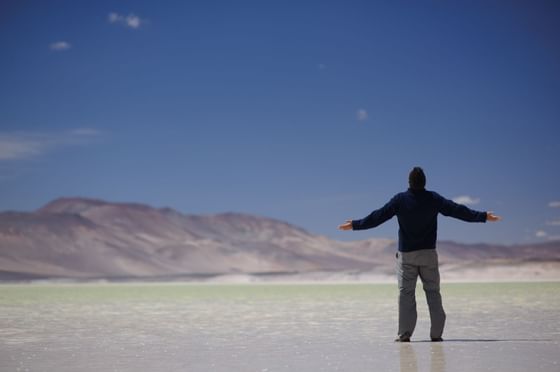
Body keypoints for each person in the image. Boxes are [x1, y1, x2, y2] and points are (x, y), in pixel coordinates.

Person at [338, 167, 501, 342]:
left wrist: (356, 224)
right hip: (428, 255)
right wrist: (483, 216)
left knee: (406, 294)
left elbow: (378, 216)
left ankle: (405, 334)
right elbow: (457, 210)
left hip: (407, 256)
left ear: (409, 182)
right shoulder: (433, 199)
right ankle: (436, 335)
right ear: (424, 182)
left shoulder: (400, 200)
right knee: (433, 292)